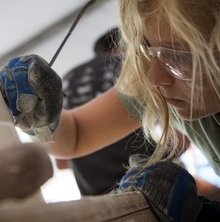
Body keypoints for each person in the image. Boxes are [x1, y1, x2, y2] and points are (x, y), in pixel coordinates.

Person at [0, 0, 220, 219]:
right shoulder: (168, 85)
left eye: (179, 56)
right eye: (147, 46)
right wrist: (41, 119)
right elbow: (77, 136)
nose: (155, 77)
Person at [59, 28, 155, 196]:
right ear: (123, 46)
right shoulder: (129, 66)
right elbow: (178, 136)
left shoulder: (66, 80)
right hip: (147, 181)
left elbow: (61, 160)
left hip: (97, 195)